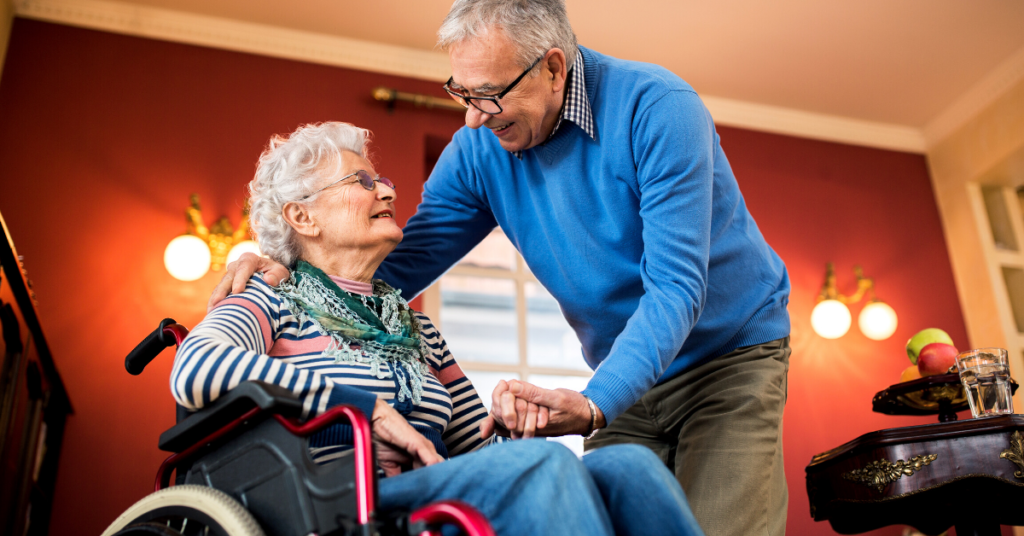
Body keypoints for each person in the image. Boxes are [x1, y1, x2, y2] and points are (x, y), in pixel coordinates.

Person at [214, 1, 791, 533]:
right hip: (626, 369)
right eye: (460, 93)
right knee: (617, 498)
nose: (471, 119)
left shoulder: (657, 108)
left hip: (727, 357)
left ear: (553, 68)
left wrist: (592, 404)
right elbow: (380, 271)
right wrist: (273, 260)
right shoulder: (478, 152)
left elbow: (675, 288)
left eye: (489, 95)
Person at [178, 121, 703, 536]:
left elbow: (475, 451)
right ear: (303, 217)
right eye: (361, 181)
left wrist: (513, 422)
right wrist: (366, 408)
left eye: (381, 179)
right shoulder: (268, 298)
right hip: (335, 500)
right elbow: (196, 368)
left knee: (629, 468)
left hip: (428, 490)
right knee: (542, 468)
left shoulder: (416, 327)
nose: (385, 190)